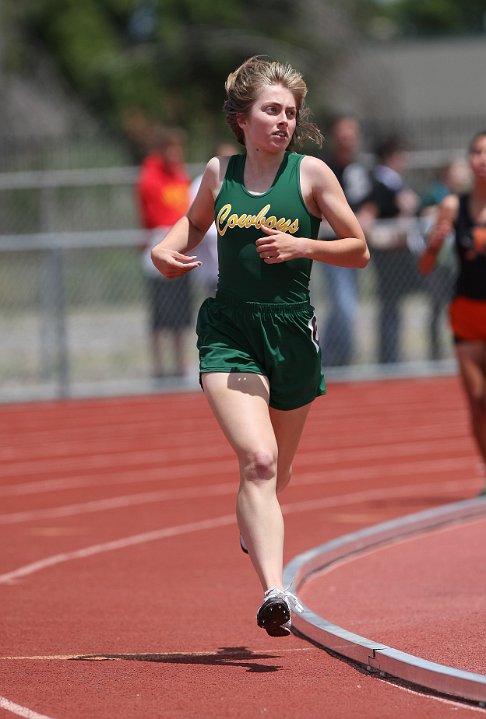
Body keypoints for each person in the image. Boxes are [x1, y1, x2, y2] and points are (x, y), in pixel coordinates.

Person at [151, 56, 369, 636]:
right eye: (271, 110)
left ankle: (256, 519)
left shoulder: (312, 174)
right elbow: (193, 225)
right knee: (260, 459)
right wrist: (164, 249)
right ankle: (275, 591)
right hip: (232, 335)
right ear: (241, 118)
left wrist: (304, 248)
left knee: (279, 474)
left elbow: (358, 247)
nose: (283, 121)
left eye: (290, 112)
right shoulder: (220, 173)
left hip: (292, 335)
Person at [419, 130, 486, 495]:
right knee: (477, 402)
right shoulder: (452, 207)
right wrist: (435, 243)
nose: (482, 159)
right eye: (476, 151)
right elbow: (426, 266)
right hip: (466, 313)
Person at [318, 114, 377, 366]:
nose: (346, 140)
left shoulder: (363, 169)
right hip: (331, 244)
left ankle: (330, 354)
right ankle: (340, 356)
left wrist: (369, 213)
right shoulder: (323, 167)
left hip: (356, 246)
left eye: (351, 135)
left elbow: (374, 198)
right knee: (345, 304)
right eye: (342, 135)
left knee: (345, 303)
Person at [136, 125, 192, 379]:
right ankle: (159, 367)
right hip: (159, 245)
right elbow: (154, 214)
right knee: (160, 313)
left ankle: (181, 364)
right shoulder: (150, 175)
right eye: (170, 148)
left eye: (178, 148)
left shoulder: (179, 174)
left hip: (181, 246)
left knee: (181, 311)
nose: (175, 153)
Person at [369, 134, 419, 364]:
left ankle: (392, 352)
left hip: (397, 251)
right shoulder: (381, 181)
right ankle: (389, 355)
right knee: (389, 304)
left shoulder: (392, 181)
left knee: (393, 304)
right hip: (387, 251)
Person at [418, 158, 471, 360]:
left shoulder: (466, 196)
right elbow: (421, 212)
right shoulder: (436, 193)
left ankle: (460, 348)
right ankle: (435, 352)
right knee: (436, 305)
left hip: (457, 261)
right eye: (458, 171)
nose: (462, 175)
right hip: (438, 260)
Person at [189, 142, 239, 296]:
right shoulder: (201, 183)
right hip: (214, 269)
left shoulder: (246, 183)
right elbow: (198, 222)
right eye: (225, 158)